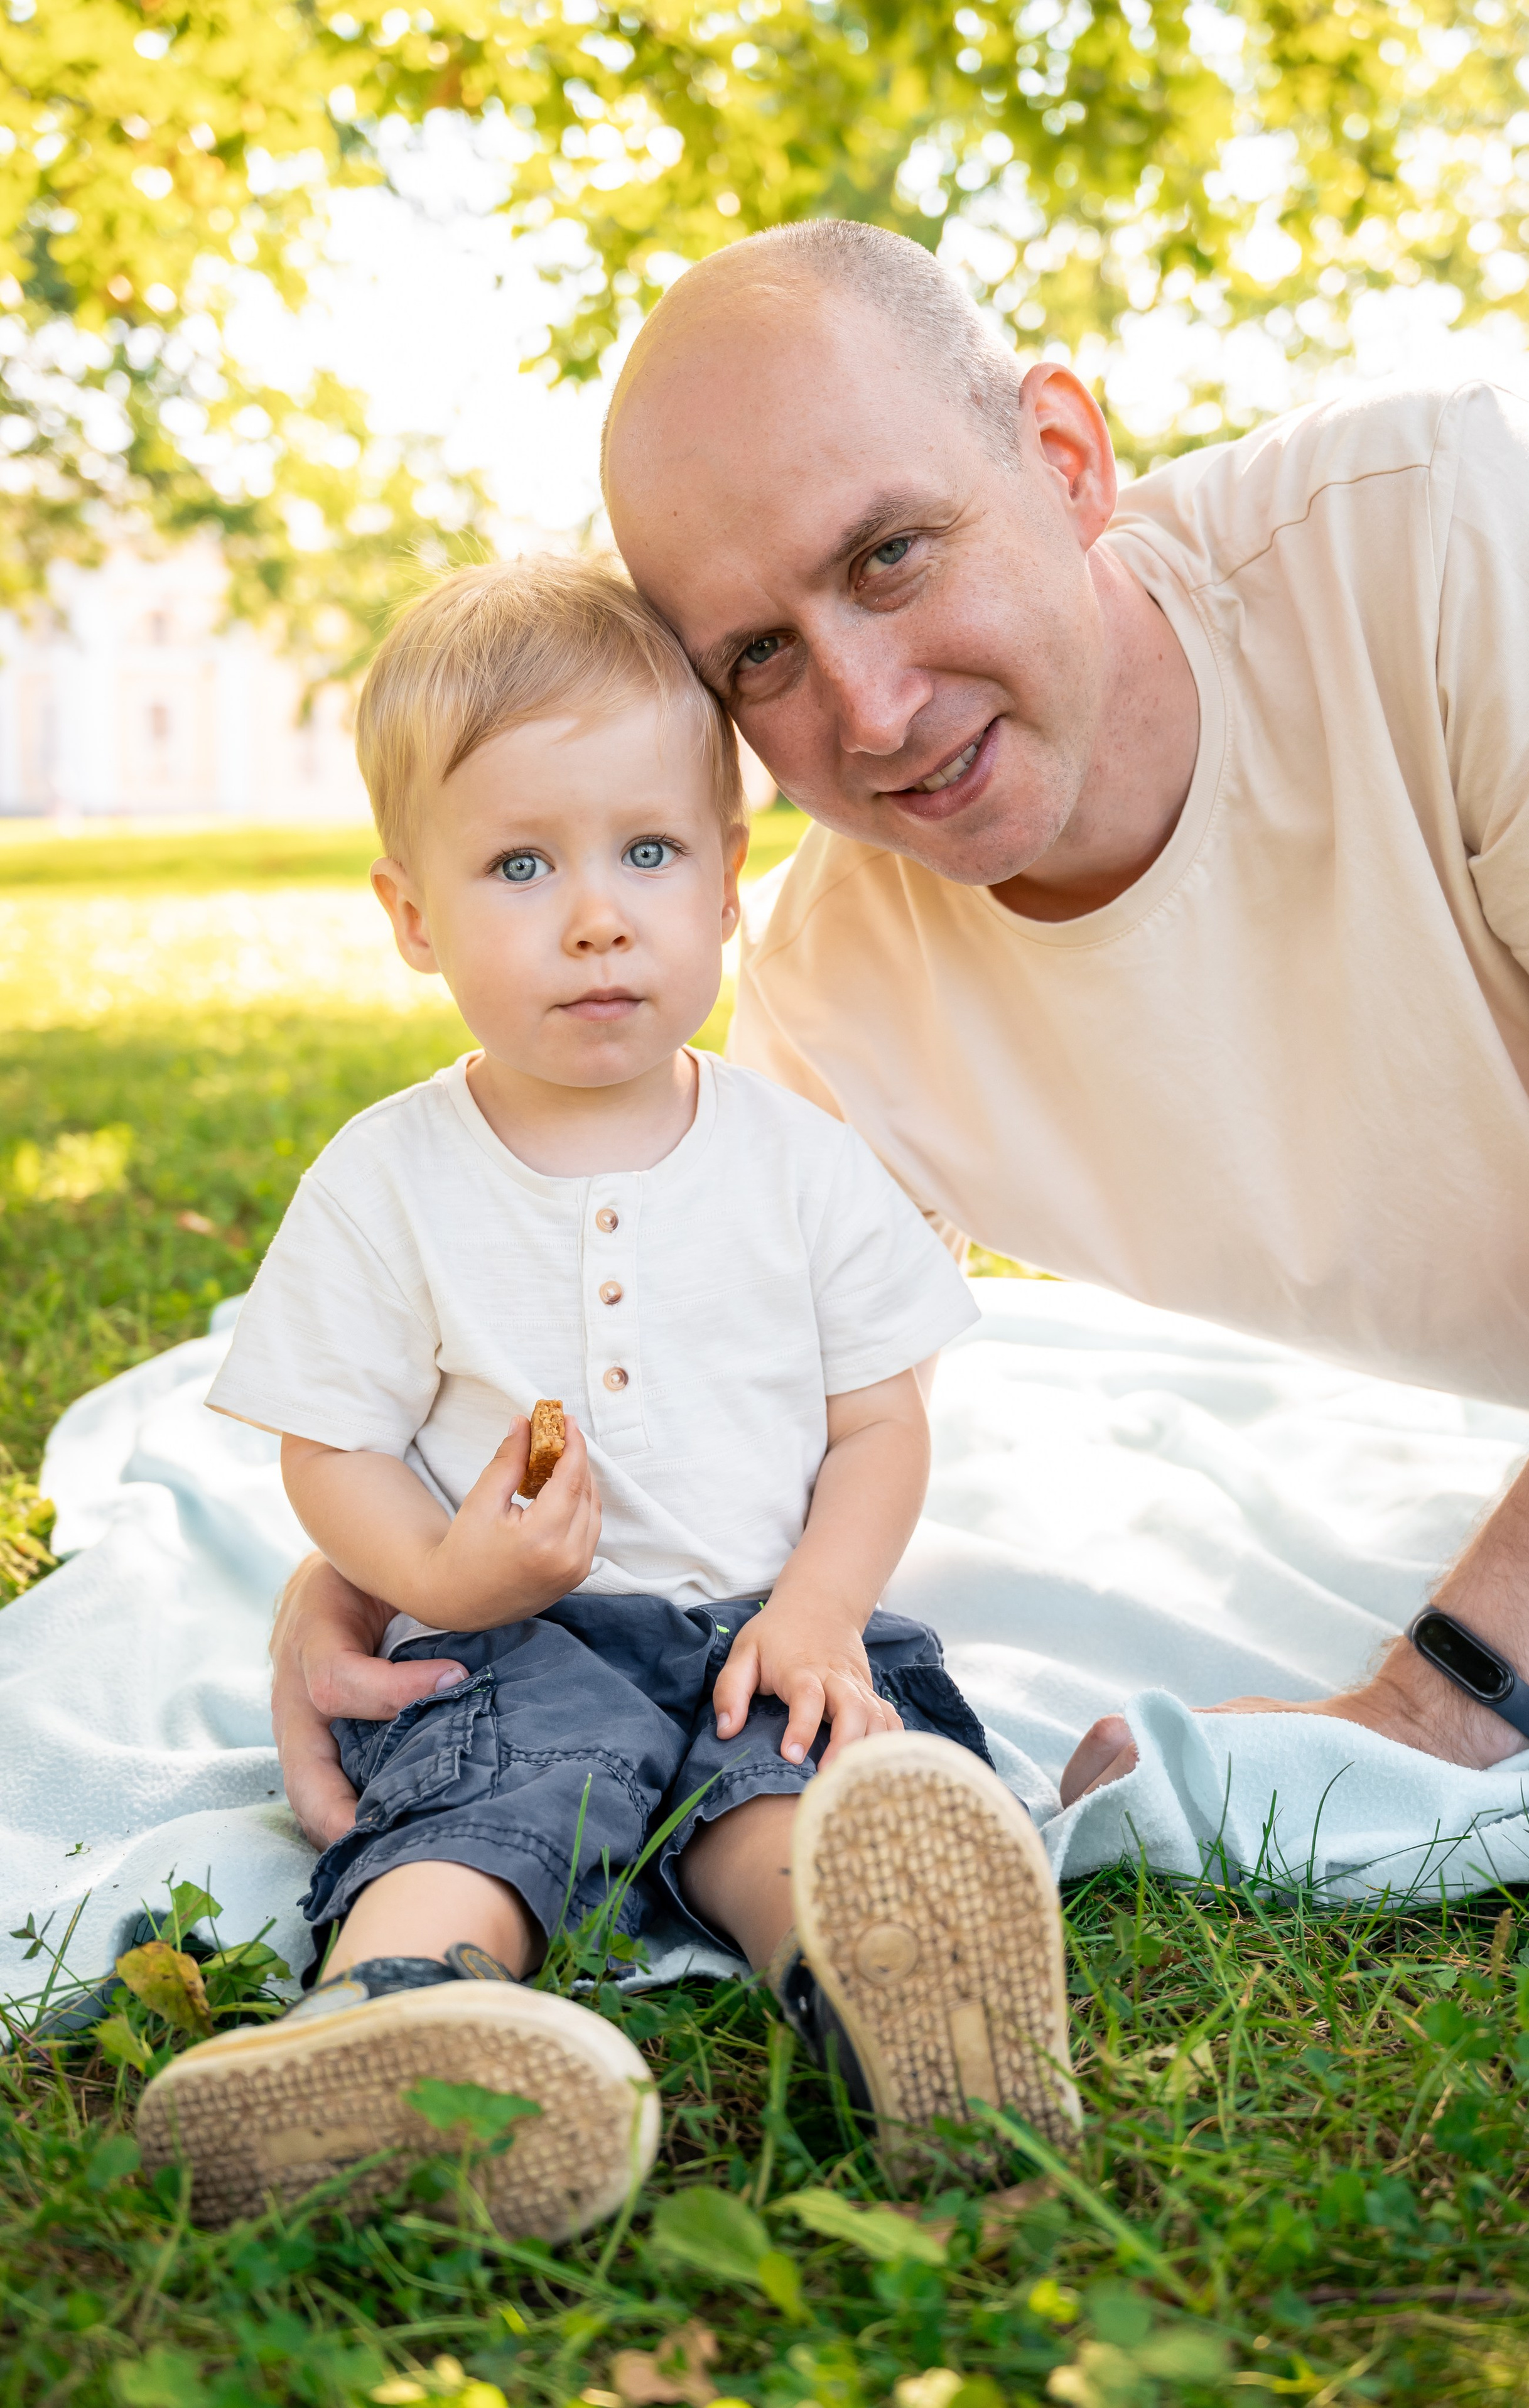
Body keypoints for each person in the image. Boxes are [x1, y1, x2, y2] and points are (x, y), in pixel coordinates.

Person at [275, 219, 1529, 1838]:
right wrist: (377, 1571)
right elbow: (699, 1377)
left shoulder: (1449, 536)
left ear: (1064, 457)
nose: (875, 711)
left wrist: (1435, 1707)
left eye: (891, 555)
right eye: (761, 655)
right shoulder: (832, 987)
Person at [136, 554, 1079, 2238]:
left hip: (759, 1623)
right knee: (480, 1795)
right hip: (514, 1638)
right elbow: (333, 1445)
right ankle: (393, 2021)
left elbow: (882, 1422)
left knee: (788, 1784)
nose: (596, 915)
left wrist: (820, 1607)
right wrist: (442, 1575)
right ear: (412, 917)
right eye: (520, 865)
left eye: (649, 851)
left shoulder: (801, 1163)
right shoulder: (390, 1177)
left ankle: (891, 1996)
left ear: (728, 883)